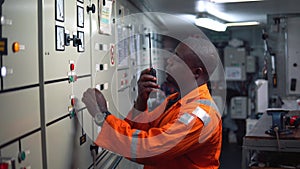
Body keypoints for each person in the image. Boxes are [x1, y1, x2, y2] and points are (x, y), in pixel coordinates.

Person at [82, 36, 222, 169]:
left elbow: (149, 148)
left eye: (178, 59)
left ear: (196, 73)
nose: (169, 61)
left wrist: (103, 116)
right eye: (173, 54)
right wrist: (141, 101)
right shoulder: (174, 100)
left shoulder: (200, 115)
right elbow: (142, 129)